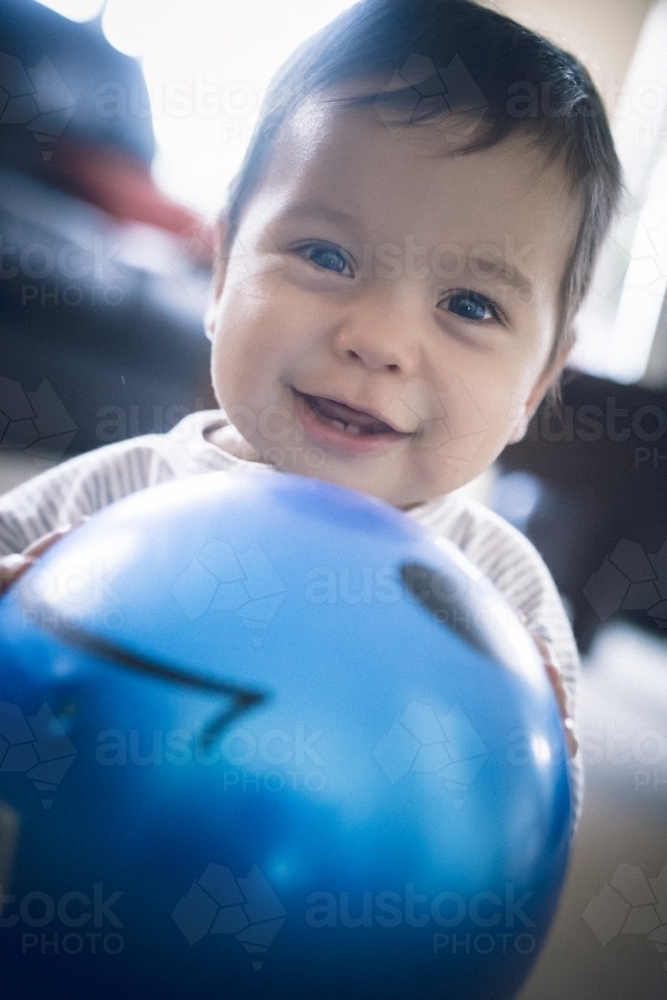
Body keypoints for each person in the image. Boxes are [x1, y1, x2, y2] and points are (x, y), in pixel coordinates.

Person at [0, 0, 623, 822]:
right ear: (223, 277)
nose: (377, 339)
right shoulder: (107, 499)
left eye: (469, 305)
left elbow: (519, 838)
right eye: (326, 256)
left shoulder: (500, 598)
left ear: (536, 386)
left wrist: (534, 765)